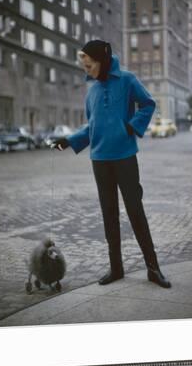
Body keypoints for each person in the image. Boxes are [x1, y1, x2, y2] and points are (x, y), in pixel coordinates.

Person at [52, 39, 171, 288]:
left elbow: (148, 103)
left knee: (135, 212)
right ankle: (116, 268)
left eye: (89, 65)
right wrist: (69, 140)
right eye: (84, 67)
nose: (86, 71)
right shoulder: (92, 90)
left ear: (102, 61)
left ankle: (153, 269)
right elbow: (92, 126)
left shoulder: (127, 80)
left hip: (125, 158)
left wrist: (131, 126)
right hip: (100, 161)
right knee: (109, 216)